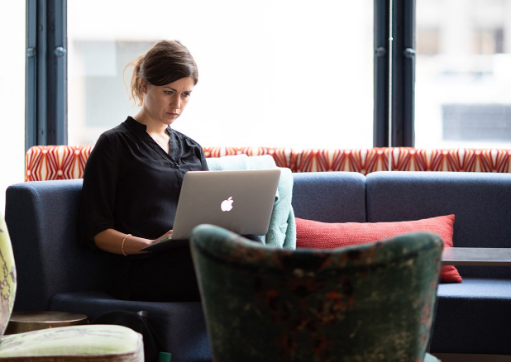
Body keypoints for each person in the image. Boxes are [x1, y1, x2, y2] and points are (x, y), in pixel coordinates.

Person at [80, 40, 210, 302]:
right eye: (168, 92)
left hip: (188, 257)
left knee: (249, 241)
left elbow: (208, 215)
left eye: (185, 94)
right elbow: (95, 231)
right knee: (237, 274)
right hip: (141, 267)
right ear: (143, 86)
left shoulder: (192, 149)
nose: (177, 104)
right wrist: (151, 246)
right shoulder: (114, 144)